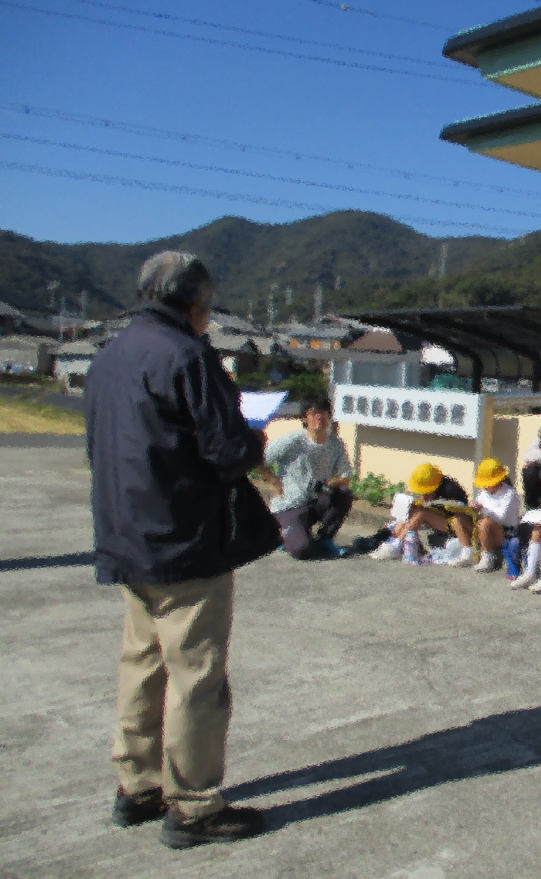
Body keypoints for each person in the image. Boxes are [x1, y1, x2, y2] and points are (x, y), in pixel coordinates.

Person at [85, 250, 277, 848]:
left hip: (125, 536)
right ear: (195, 305)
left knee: (140, 663)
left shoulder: (110, 356)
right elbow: (227, 451)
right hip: (185, 540)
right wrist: (255, 437)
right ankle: (193, 805)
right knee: (196, 672)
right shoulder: (189, 357)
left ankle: (137, 785)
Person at [258, 396, 352, 560]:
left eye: (324, 412)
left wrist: (333, 483)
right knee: (303, 552)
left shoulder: (335, 444)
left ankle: (325, 538)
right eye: (314, 412)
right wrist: (274, 482)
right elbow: (259, 460)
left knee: (344, 494)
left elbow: (346, 476)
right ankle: (283, 534)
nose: (319, 417)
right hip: (289, 505)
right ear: (304, 418)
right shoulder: (293, 440)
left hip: (315, 502)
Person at [370, 463, 473, 565]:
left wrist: (441, 505)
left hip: (453, 524)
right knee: (412, 511)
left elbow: (462, 511)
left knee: (421, 513)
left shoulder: (451, 489)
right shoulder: (433, 489)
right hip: (440, 520)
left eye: (425, 493)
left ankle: (397, 545)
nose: (422, 496)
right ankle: (394, 542)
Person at [470, 458, 519, 573]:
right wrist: (474, 509)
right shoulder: (484, 492)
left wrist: (482, 509)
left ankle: (487, 557)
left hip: (505, 533)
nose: (485, 486)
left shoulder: (509, 493)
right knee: (460, 519)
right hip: (485, 528)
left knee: (484, 523)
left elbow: (500, 517)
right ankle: (467, 552)